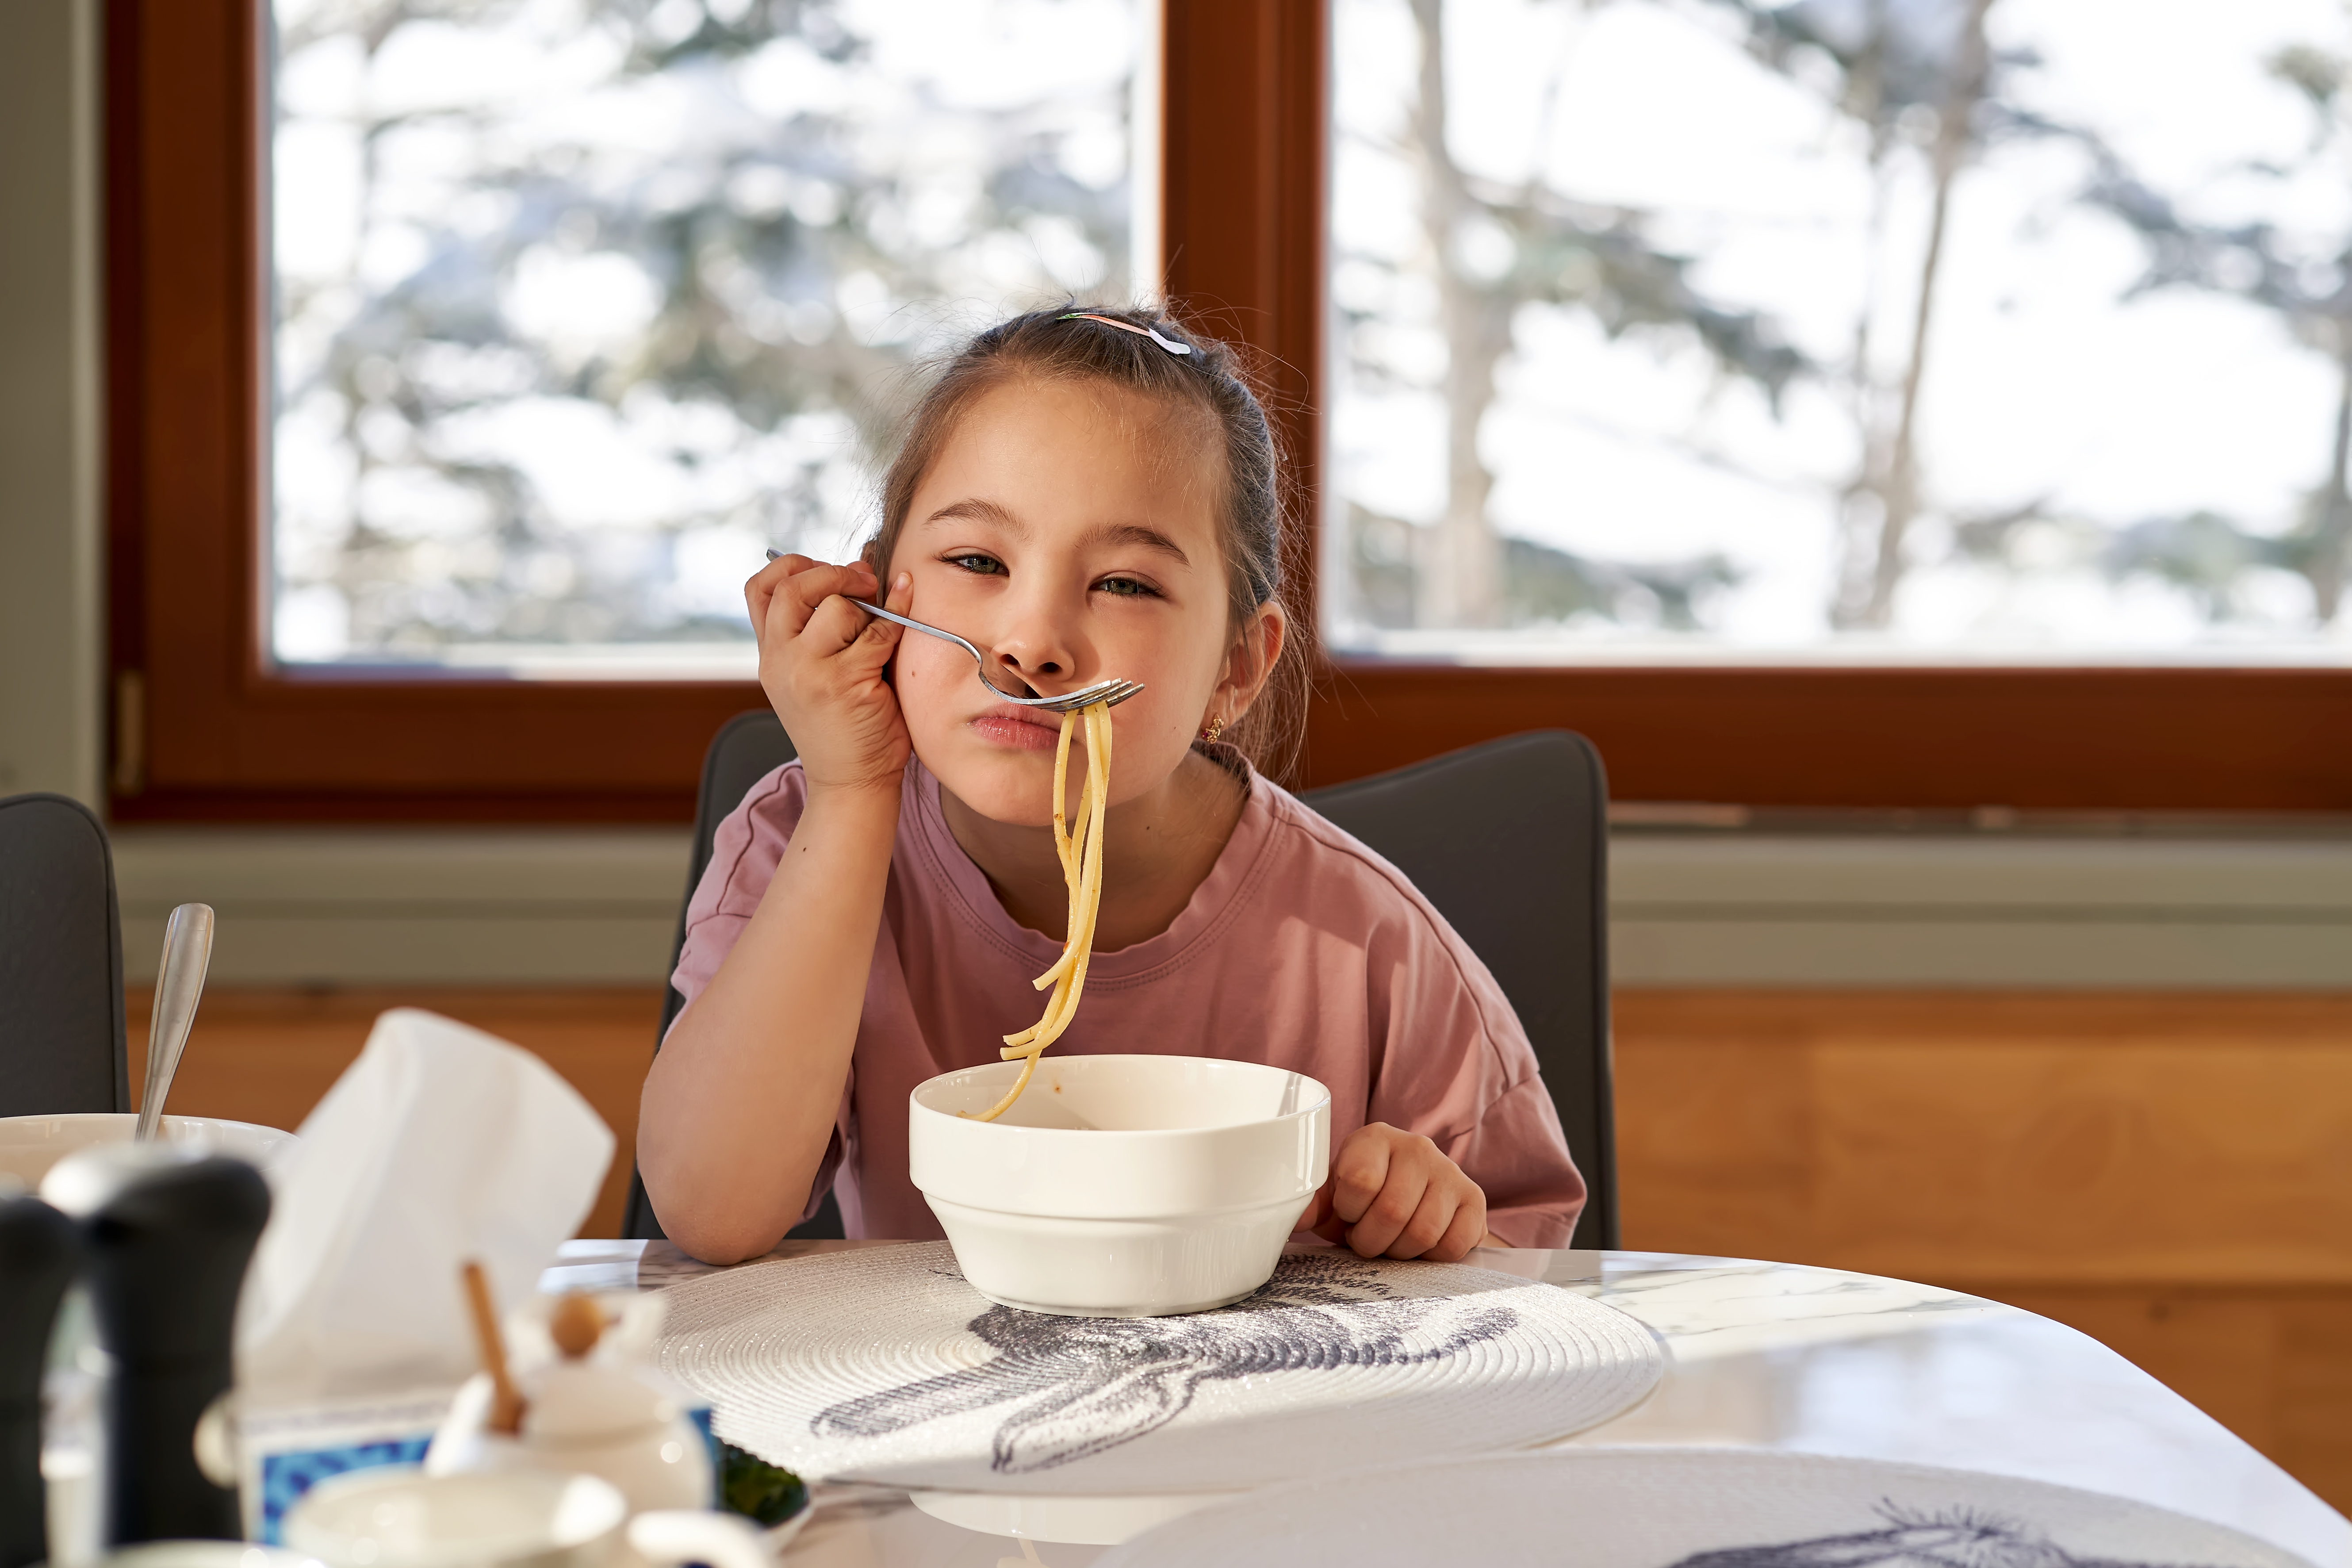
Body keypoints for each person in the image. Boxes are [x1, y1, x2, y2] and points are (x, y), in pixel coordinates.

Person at [637, 306, 1586, 1266]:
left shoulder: (1376, 954)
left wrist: (1430, 1219)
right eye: (976, 562)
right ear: (878, 598)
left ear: (1236, 667)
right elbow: (714, 1211)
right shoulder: (799, 836)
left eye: (1125, 585)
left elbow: (1525, 1277)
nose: (1032, 642)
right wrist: (851, 796)